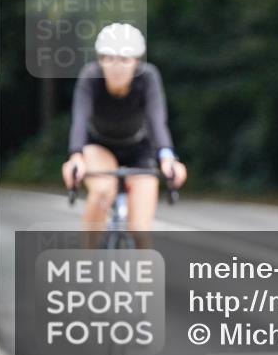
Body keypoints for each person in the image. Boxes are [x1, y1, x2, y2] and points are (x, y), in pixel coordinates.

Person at [61, 23, 187, 233]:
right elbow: (80, 118)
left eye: (124, 59)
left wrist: (167, 158)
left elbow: (156, 119)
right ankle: (88, 252)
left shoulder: (148, 76)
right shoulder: (90, 76)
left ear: (136, 61)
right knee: (102, 190)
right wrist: (76, 156)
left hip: (139, 148)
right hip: (99, 146)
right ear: (100, 60)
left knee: (140, 231)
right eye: (109, 58)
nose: (116, 67)